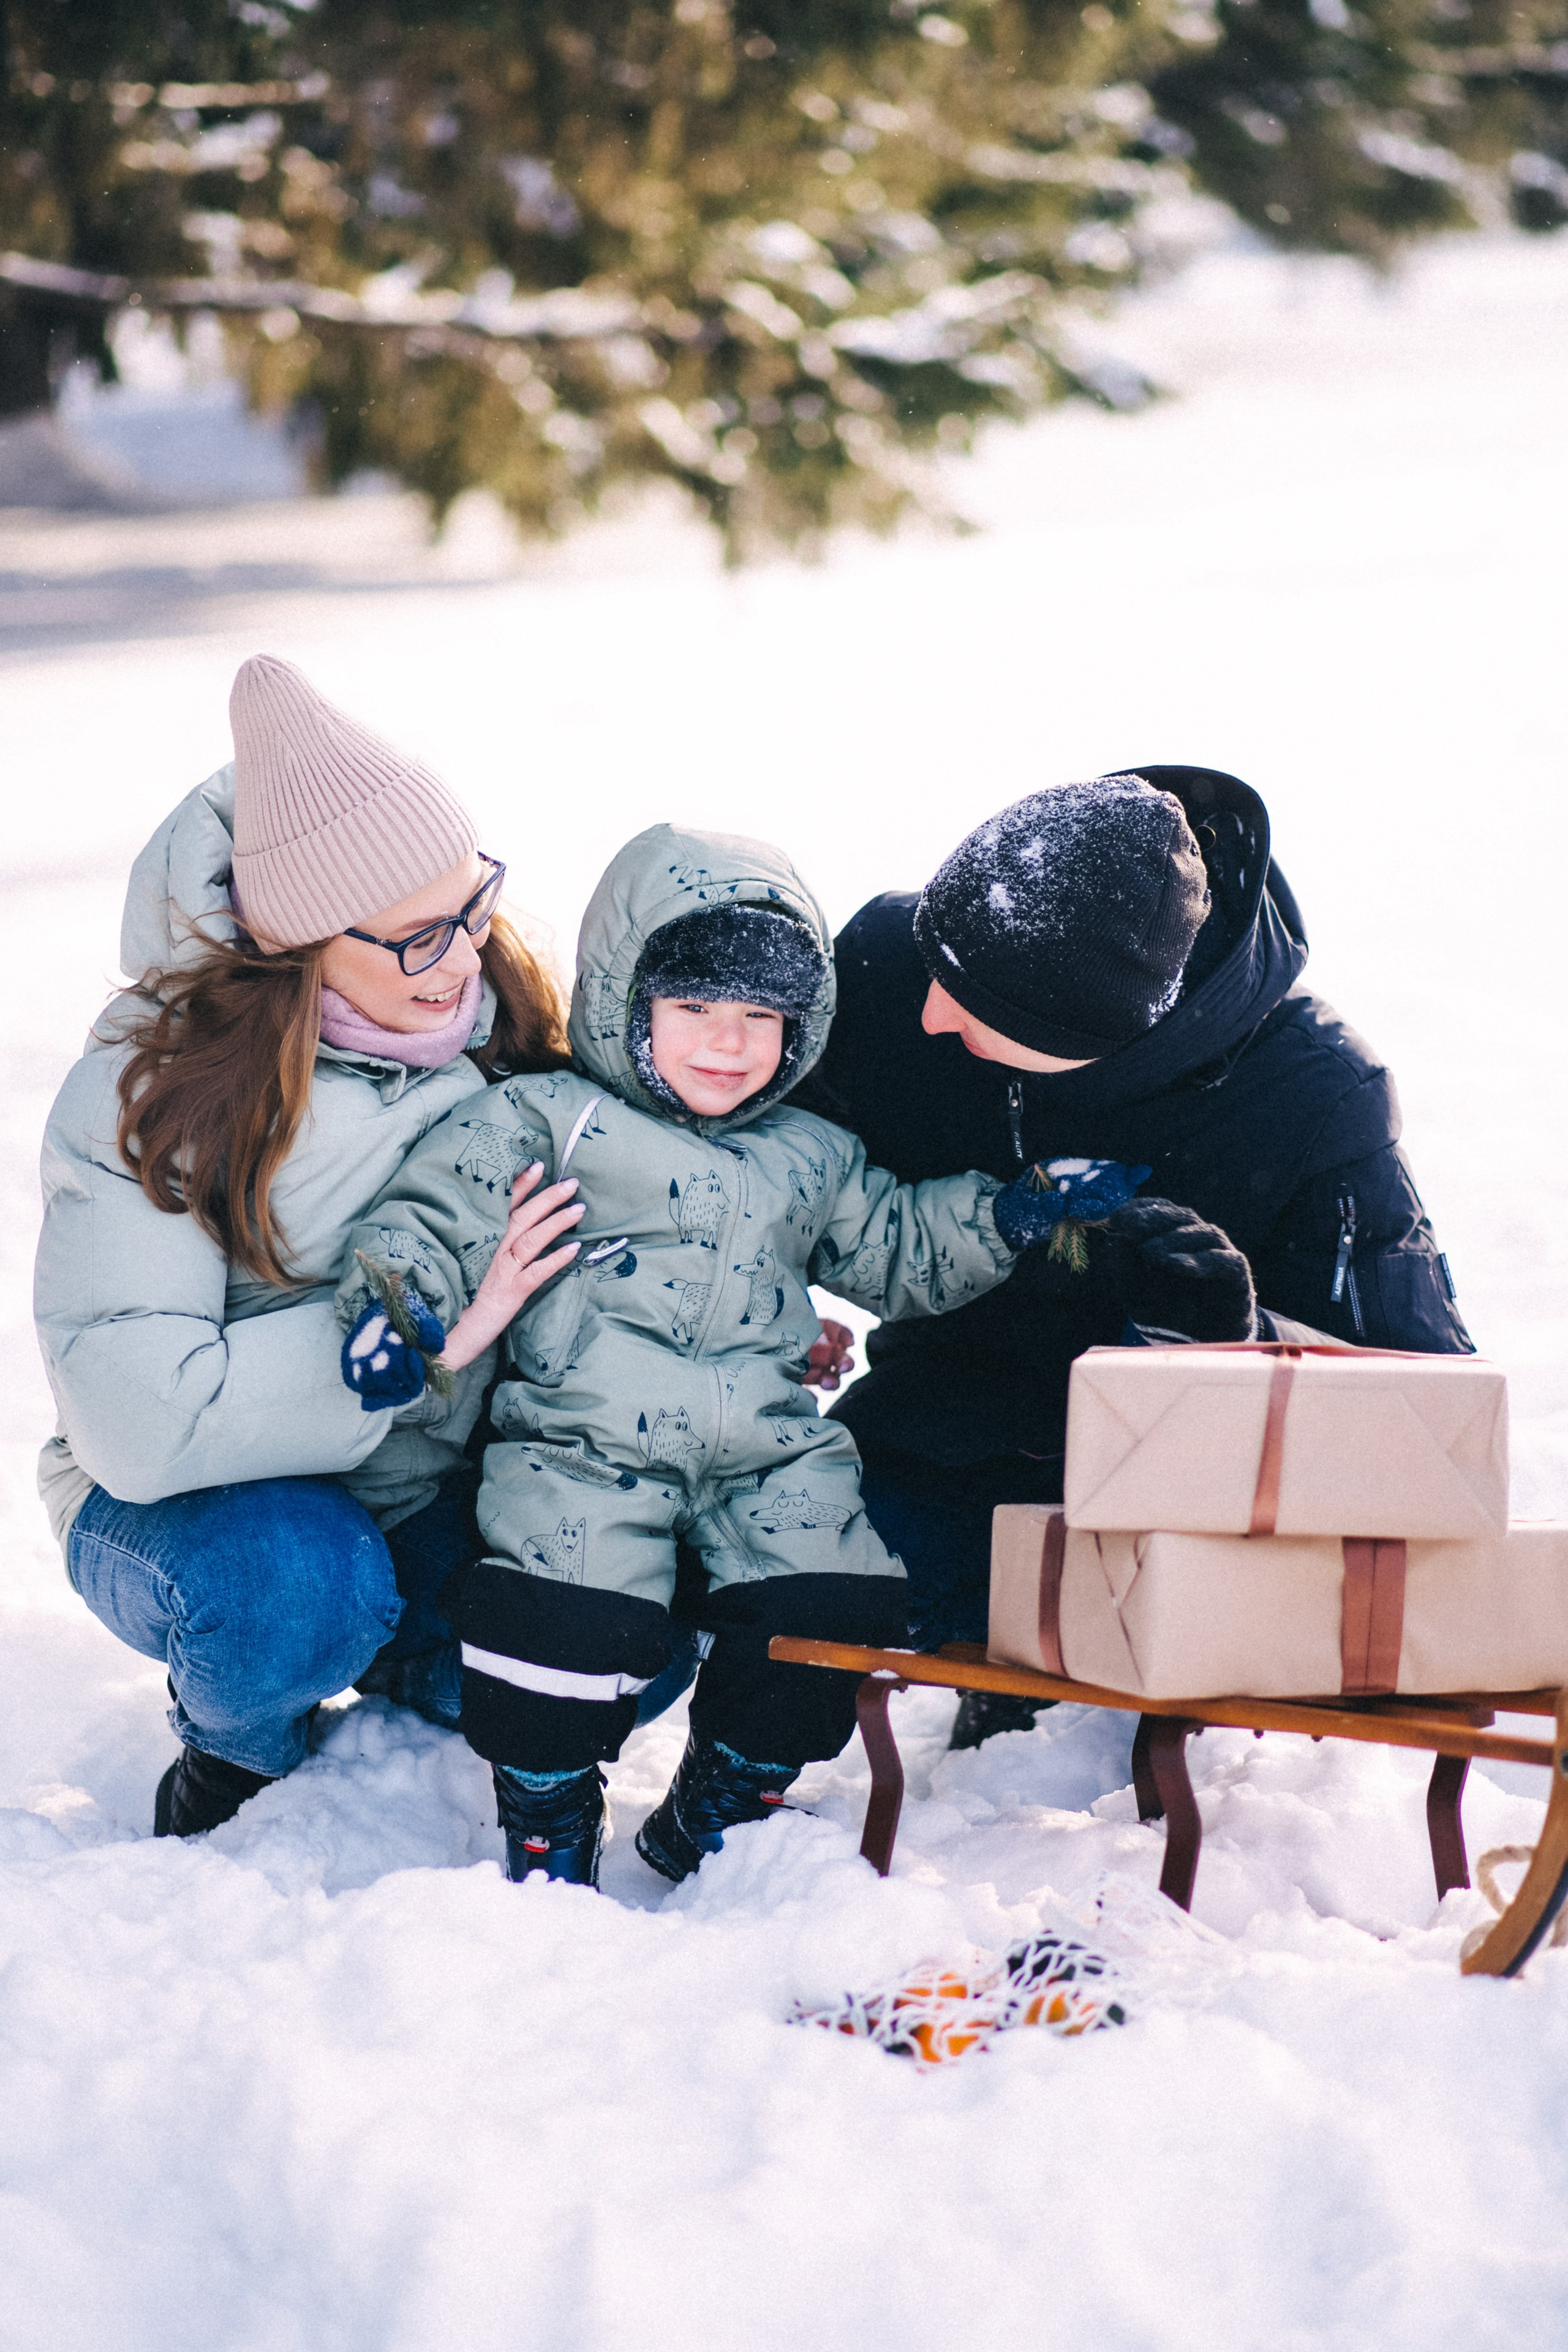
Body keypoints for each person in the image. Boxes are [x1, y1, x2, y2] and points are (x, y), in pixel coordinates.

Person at [334, 822, 1136, 1888]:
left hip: (766, 1446)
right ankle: (546, 1811)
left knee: (834, 1601)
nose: (730, 1042)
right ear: (632, 1003)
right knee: (559, 1621)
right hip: (587, 1440)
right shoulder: (552, 1117)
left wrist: (1011, 1212)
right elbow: (436, 1217)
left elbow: (893, 1244)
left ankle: (726, 1793)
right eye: (696, 1009)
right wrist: (395, 1312)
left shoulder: (808, 1151)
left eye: (762, 1015)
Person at [796, 767, 1474, 1746]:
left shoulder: (1312, 1094)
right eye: (932, 969)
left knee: (1069, 1722)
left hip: (1175, 1501)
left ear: (1105, 1040)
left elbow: (1431, 1414)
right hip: (935, 1425)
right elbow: (753, 1153)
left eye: (977, 1006)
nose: (932, 1016)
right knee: (772, 1578)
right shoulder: (897, 970)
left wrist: (1236, 1333)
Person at [33, 655, 575, 1836]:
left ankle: (412, 1667)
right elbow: (140, 1425)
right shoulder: (151, 1099)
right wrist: (427, 1341)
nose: (465, 959)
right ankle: (238, 1756)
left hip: (411, 1488)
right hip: (190, 1511)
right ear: (299, 944)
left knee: (609, 1630)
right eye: (417, 939)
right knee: (295, 1582)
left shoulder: (506, 1040)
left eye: (474, 908)